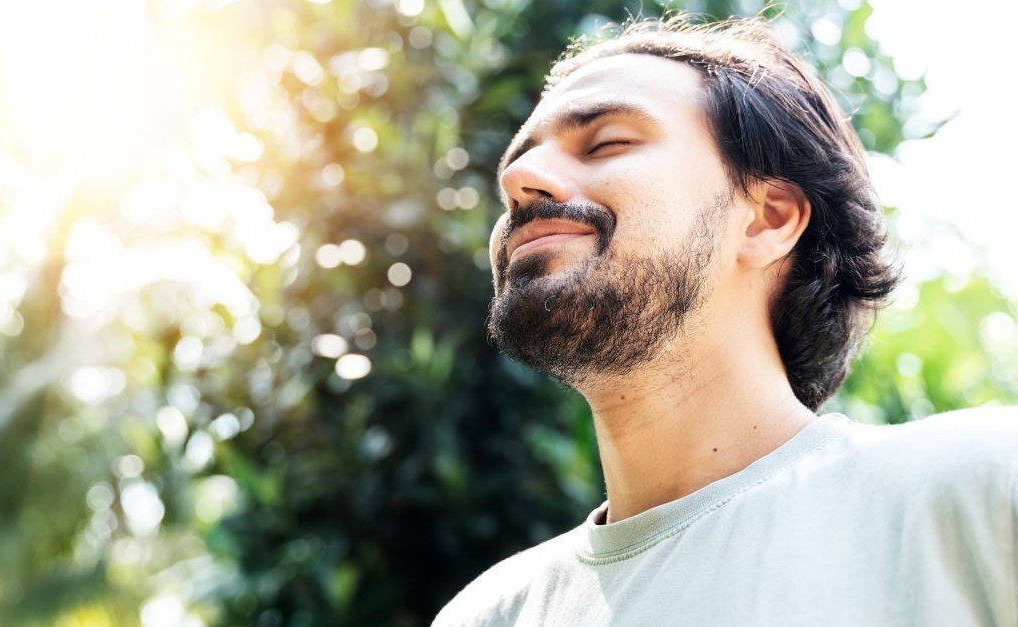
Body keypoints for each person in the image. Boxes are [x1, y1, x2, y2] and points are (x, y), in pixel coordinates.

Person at [434, 15, 1018, 627]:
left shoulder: (982, 490)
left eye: (606, 143)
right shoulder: (489, 614)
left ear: (767, 219)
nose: (518, 179)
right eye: (517, 169)